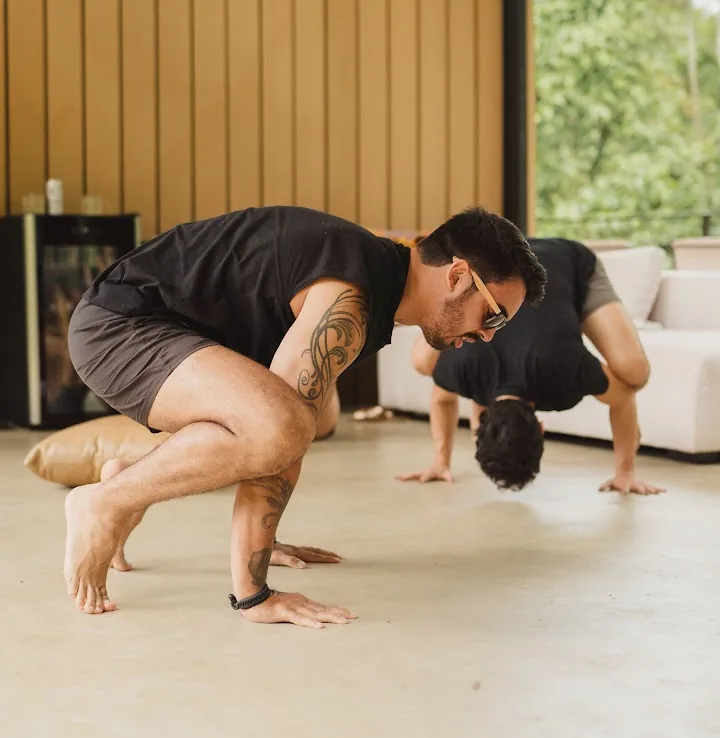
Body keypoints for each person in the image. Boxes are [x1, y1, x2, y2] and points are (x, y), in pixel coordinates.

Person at [65, 205, 546, 625]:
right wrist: (253, 595)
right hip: (119, 327)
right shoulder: (353, 295)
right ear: (458, 275)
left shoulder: (375, 283)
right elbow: (283, 428)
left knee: (291, 420)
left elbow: (287, 423)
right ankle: (105, 502)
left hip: (173, 336)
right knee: (284, 424)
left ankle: (125, 479)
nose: (489, 336)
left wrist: (261, 542)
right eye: (494, 316)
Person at [398, 237, 663, 496]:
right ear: (478, 421)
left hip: (567, 261)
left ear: (541, 428)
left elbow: (623, 398)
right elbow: (443, 398)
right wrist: (440, 462)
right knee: (424, 362)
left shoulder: (564, 371)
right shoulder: (464, 370)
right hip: (511, 254)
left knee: (635, 374)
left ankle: (567, 306)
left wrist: (625, 472)